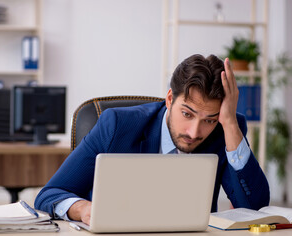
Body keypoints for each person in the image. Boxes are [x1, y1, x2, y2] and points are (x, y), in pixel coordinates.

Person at [34, 54, 270, 226]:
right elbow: (50, 194)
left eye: (209, 119)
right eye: (187, 114)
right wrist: (83, 208)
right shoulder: (117, 125)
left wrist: (228, 124)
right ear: (169, 99)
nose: (194, 132)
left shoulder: (226, 129)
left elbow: (254, 208)